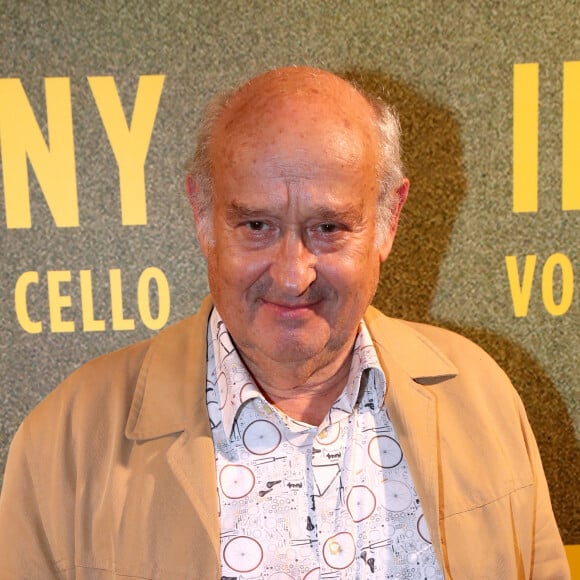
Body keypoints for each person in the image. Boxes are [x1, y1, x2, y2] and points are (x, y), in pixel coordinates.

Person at [0, 66, 569, 579]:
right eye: (256, 226)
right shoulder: (67, 441)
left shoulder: (481, 394)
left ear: (388, 220)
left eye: (329, 228)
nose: (293, 276)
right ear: (203, 216)